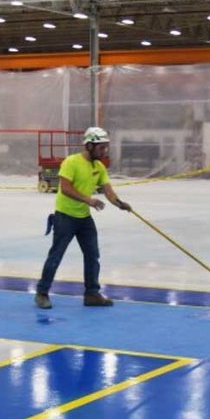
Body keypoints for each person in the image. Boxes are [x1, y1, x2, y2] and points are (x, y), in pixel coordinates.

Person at [35, 126, 132, 309]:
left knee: (92, 255)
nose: (104, 151)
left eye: (105, 147)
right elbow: (66, 188)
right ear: (89, 146)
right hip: (65, 217)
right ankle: (41, 293)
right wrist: (90, 200)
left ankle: (92, 294)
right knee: (56, 255)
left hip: (84, 218)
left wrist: (120, 204)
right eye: (101, 147)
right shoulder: (71, 162)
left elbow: (108, 190)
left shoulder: (99, 167)